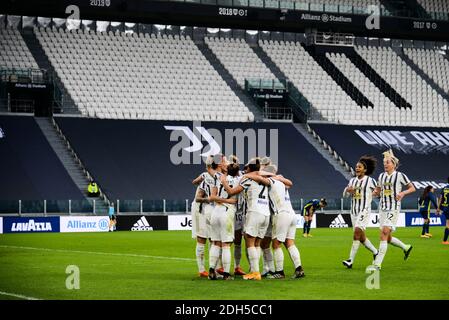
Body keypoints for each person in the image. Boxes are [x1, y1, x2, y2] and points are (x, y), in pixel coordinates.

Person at [220, 157, 272, 281]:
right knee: (257, 243)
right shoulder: (265, 179)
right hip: (266, 213)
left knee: (249, 242)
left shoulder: (247, 179)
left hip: (254, 212)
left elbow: (232, 191)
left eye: (246, 167)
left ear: (249, 168)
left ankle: (255, 272)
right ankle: (255, 270)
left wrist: (224, 182)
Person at [368, 149, 415, 271]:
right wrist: (371, 194)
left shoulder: (400, 175)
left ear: (394, 164)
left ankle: (377, 264)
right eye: (384, 162)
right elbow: (378, 191)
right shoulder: (381, 176)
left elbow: (412, 188)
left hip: (393, 208)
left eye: (388, 162)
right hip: (382, 208)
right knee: (387, 237)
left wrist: (403, 193)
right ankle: (406, 247)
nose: (385, 164)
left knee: (384, 233)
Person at [263, 164, 305, 279]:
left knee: (276, 244)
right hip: (292, 214)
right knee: (290, 243)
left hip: (280, 214)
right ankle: (299, 269)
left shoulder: (270, 181)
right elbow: (289, 183)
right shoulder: (282, 182)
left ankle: (280, 272)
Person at [342, 155, 379, 269]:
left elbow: (378, 189)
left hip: (364, 210)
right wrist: (348, 191)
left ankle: (350, 260)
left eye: (360, 167)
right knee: (361, 237)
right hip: (354, 212)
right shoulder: (352, 180)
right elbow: (345, 195)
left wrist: (375, 194)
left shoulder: (370, 180)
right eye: (356, 167)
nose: (357, 168)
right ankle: (376, 252)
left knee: (357, 232)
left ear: (365, 170)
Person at [191, 163, 217, 278]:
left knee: (214, 239)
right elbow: (195, 184)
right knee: (202, 238)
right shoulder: (206, 176)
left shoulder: (221, 177)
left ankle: (213, 268)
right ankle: (201, 269)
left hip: (212, 210)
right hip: (201, 209)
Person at [437, 177, 449, 245]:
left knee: (447, 223)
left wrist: (438, 208)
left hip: (445, 207)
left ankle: (445, 240)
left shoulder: (444, 188)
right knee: (448, 224)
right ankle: (444, 241)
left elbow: (441, 198)